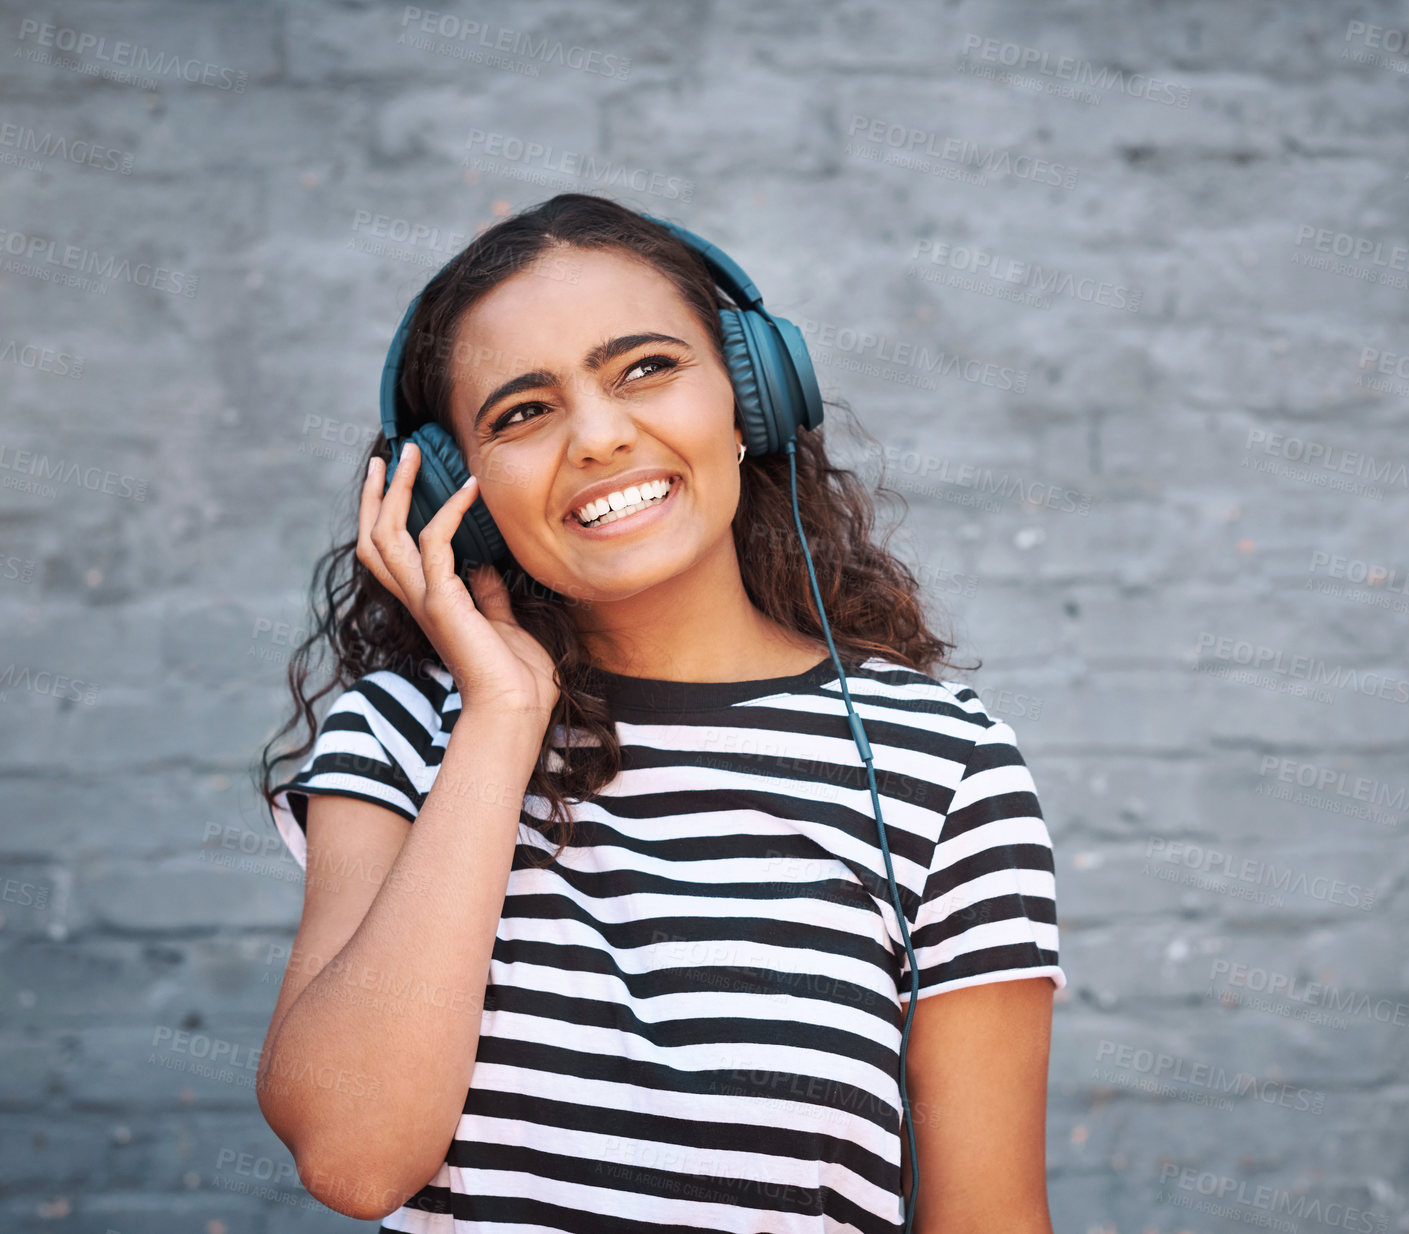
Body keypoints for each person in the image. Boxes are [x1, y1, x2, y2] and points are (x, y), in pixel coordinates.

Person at [255, 192, 1066, 1232]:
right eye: (521, 412)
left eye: (646, 368)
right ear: (455, 493)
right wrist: (501, 717)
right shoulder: (403, 735)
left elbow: (988, 1217)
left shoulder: (943, 763)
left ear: (751, 397)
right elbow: (354, 1159)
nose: (598, 437)